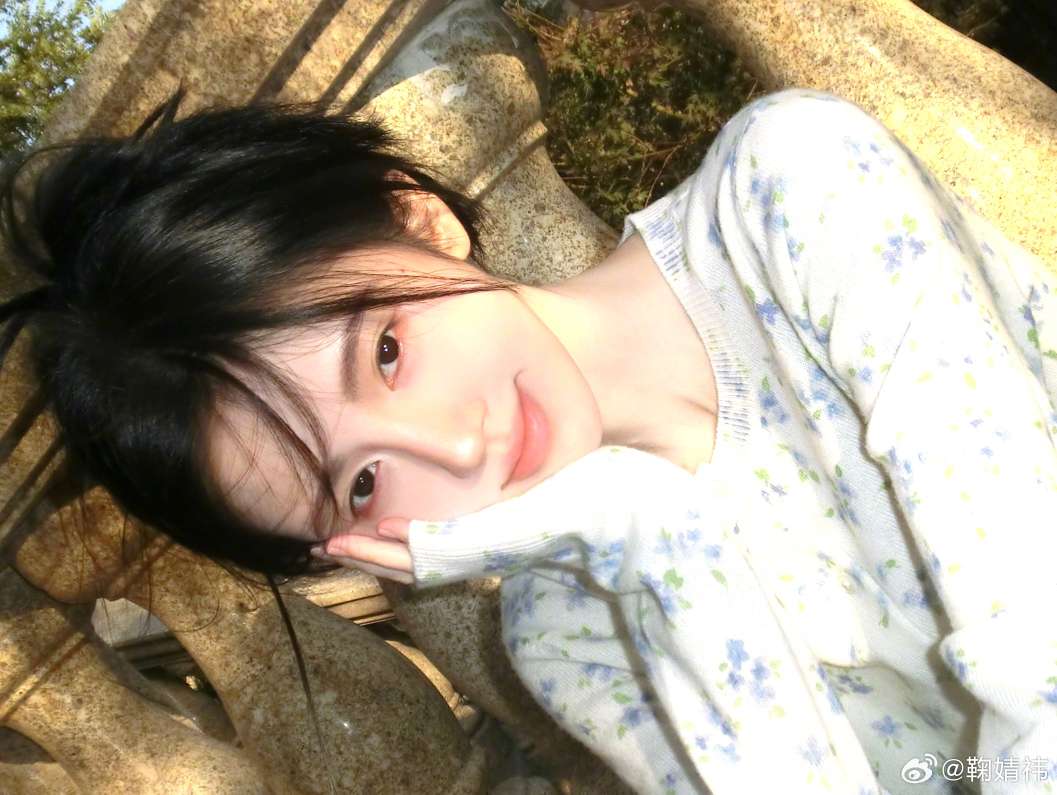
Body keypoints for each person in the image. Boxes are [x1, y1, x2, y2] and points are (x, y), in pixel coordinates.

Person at [2, 82, 1055, 794]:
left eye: (385, 352)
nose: (456, 449)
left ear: (414, 218)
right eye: (362, 485)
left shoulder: (792, 187)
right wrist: (657, 536)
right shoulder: (570, 628)